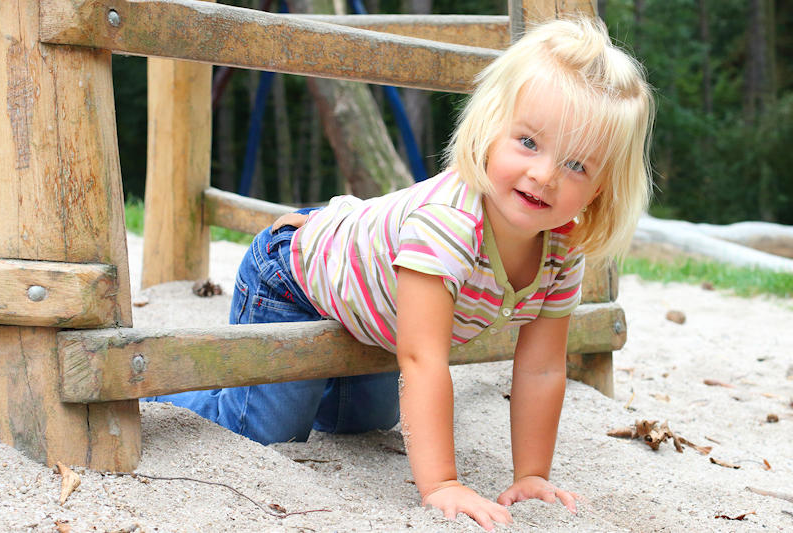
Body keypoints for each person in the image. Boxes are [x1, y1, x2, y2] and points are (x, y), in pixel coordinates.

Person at [146, 16, 654, 531]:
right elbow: (422, 357)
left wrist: (531, 474)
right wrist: (442, 484)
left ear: (601, 189)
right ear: (490, 128)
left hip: (375, 307)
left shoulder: (563, 247)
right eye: (528, 142)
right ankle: (162, 391)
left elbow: (542, 367)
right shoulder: (450, 224)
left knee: (365, 422)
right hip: (294, 275)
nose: (544, 174)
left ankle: (314, 378)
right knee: (268, 429)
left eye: (576, 165)